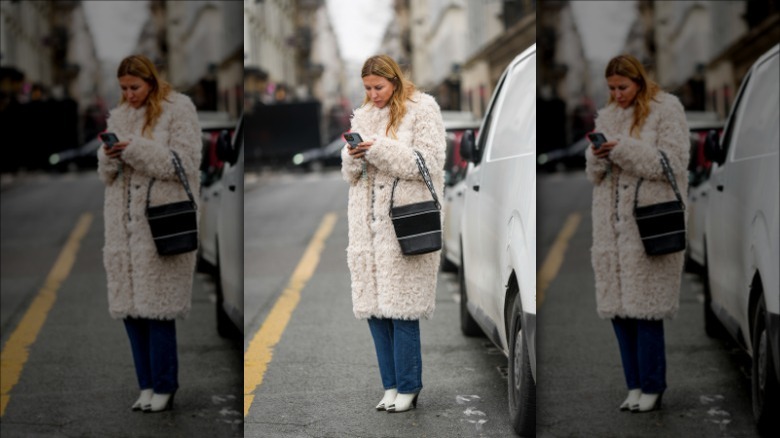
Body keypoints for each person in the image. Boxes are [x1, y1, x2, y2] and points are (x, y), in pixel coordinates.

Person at [341, 55, 446, 413]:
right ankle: (390, 385)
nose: (373, 94)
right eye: (367, 88)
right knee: (374, 310)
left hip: (403, 224)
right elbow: (350, 174)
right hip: (366, 228)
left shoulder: (423, 109)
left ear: (395, 81)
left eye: (379, 87)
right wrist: (354, 154)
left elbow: (428, 163)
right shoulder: (364, 113)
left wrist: (379, 149)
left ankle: (409, 386)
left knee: (402, 309)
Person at [585, 54, 689, 413]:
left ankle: (653, 386)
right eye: (611, 88)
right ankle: (633, 385)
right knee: (619, 313)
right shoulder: (609, 114)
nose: (617, 94)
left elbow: (673, 163)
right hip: (611, 232)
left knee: (646, 312)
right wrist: (598, 154)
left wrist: (624, 150)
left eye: (623, 87)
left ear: (639, 82)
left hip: (647, 226)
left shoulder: (666, 109)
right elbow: (594, 174)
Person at [97, 54, 202, 413]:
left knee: (158, 311)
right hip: (122, 232)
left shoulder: (178, 109)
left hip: (158, 226)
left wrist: (136, 150)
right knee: (130, 312)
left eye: (135, 87)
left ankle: (165, 386)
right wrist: (110, 154)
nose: (129, 95)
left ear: (151, 82)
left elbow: (185, 163)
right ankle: (145, 385)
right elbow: (106, 174)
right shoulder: (120, 115)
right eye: (123, 88)